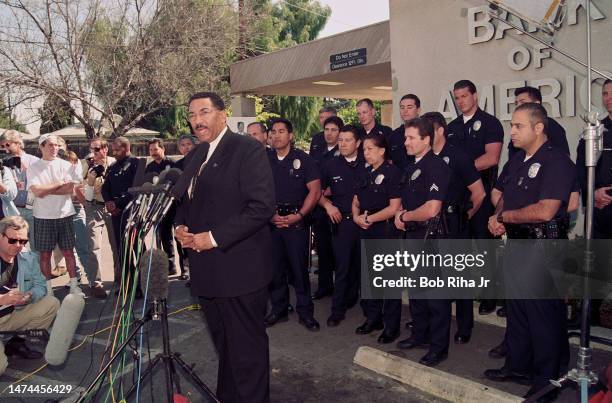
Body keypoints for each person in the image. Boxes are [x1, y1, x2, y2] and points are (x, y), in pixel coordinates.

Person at [174, 92, 275, 402]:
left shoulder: (246, 149)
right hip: (207, 272)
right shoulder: (196, 155)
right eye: (192, 115)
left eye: (204, 112)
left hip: (239, 271)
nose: (197, 120)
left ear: (222, 114)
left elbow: (261, 207)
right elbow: (184, 199)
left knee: (247, 355)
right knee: (226, 351)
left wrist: (213, 237)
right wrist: (180, 226)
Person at [485, 103, 574, 403]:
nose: (512, 131)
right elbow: (505, 196)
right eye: (511, 125)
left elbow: (546, 210)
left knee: (543, 318)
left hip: (543, 248)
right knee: (518, 312)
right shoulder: (519, 160)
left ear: (538, 128)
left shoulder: (557, 161)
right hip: (519, 245)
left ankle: (549, 380)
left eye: (518, 126)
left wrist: (504, 218)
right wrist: (498, 217)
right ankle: (518, 366)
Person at [393, 117, 452, 366]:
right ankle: (420, 335)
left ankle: (439, 347)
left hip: (432, 238)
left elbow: (432, 209)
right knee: (417, 292)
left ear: (426, 139)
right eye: (406, 137)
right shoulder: (411, 167)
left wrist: (405, 216)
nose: (406, 142)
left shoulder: (437, 166)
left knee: (436, 297)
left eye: (411, 138)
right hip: (414, 236)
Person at [447, 79, 504, 333]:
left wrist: (463, 170)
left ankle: (490, 295)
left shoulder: (490, 123)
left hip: (483, 194)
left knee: (484, 246)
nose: (460, 102)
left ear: (475, 96)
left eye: (464, 96)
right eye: (457, 98)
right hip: (458, 198)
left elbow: (492, 158)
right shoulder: (452, 128)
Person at [266, 118, 321, 331]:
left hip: (296, 224)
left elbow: (315, 191)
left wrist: (299, 215)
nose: (277, 135)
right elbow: (256, 191)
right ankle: (279, 310)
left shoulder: (304, 160)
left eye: (281, 131)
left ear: (290, 135)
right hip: (271, 223)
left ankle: (305, 313)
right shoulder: (264, 159)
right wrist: (270, 215)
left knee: (299, 271)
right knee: (275, 271)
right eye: (273, 132)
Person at [353, 134, 402, 344]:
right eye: (364, 150)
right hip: (366, 226)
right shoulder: (364, 172)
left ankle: (392, 327)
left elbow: (395, 207)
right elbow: (356, 200)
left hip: (386, 229)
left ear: (382, 150)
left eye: (370, 149)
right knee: (369, 277)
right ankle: (373, 319)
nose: (366, 153)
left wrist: (369, 218)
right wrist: (356, 217)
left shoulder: (392, 172)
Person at [318, 125, 366, 326]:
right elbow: (316, 192)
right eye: (341, 140)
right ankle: (337, 311)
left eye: (347, 140)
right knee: (343, 267)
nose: (343, 144)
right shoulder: (331, 165)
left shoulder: (369, 162)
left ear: (358, 143)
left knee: (366, 268)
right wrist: (328, 205)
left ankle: (372, 312)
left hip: (367, 223)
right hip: (343, 223)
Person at [0, 216, 59, 375]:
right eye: (13, 240)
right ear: (0, 236)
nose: (18, 246)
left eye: (23, 241)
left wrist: (29, 296)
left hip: (12, 315)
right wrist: (3, 299)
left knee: (51, 303)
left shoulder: (28, 257)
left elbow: (41, 285)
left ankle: (15, 344)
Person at [27, 134, 83, 297]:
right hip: (43, 216)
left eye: (57, 145)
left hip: (65, 214)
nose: (55, 148)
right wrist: (58, 183)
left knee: (68, 252)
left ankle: (74, 286)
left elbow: (69, 190)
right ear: (41, 147)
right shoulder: (33, 167)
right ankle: (48, 290)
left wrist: (46, 189)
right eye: (50, 145)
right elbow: (37, 192)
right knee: (44, 254)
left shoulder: (66, 165)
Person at [576, 78, 612, 327]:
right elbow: (581, 167)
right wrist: (593, 192)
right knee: (595, 267)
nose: (609, 98)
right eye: (605, 93)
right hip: (599, 211)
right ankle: (588, 318)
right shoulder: (596, 130)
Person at [310, 116, 343, 300]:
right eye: (327, 129)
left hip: (336, 206)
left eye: (334, 130)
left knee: (339, 251)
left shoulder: (343, 151)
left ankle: (342, 289)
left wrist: (325, 191)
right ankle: (324, 286)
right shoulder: (319, 150)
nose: (329, 133)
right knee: (322, 250)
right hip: (319, 208)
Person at [101, 137, 140, 292]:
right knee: (122, 250)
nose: (114, 153)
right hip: (116, 215)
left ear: (126, 148)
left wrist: (117, 203)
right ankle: (128, 284)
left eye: (117, 150)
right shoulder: (112, 166)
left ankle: (141, 285)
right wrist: (109, 202)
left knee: (136, 248)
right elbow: (105, 188)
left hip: (133, 213)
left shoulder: (136, 164)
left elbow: (136, 188)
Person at [83, 138, 116, 298]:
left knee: (116, 245)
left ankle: (120, 280)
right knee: (93, 246)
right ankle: (96, 283)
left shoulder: (114, 163)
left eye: (96, 149)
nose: (93, 153)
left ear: (105, 149)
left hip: (111, 207)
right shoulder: (87, 165)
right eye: (91, 149)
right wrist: (90, 181)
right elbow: (86, 196)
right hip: (94, 207)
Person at [0, 130, 40, 245]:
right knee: (12, 244)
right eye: (2, 146)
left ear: (18, 143)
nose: (5, 149)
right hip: (11, 209)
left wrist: (28, 171)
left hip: (31, 208)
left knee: (35, 245)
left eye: (8, 144)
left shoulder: (33, 161)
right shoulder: (3, 163)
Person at [508, 86, 569, 159]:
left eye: (522, 102)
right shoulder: (515, 133)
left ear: (537, 103)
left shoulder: (552, 126)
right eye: (516, 103)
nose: (518, 106)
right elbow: (512, 158)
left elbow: (563, 157)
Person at [145, 139, 177, 275]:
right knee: (164, 236)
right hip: (158, 206)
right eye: (151, 150)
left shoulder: (172, 164)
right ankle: (168, 266)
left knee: (180, 237)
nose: (153, 152)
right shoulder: (149, 167)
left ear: (163, 149)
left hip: (174, 205)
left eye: (155, 149)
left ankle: (185, 269)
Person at [174, 135, 196, 283]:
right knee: (183, 242)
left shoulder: (202, 161)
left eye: (189, 144)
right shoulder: (178, 166)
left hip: (199, 210)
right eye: (183, 145)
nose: (186, 147)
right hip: (181, 210)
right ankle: (186, 271)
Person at [391, 94, 421, 169]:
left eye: (409, 107)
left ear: (418, 110)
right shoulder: (394, 135)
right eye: (402, 107)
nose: (405, 111)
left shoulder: (426, 131)